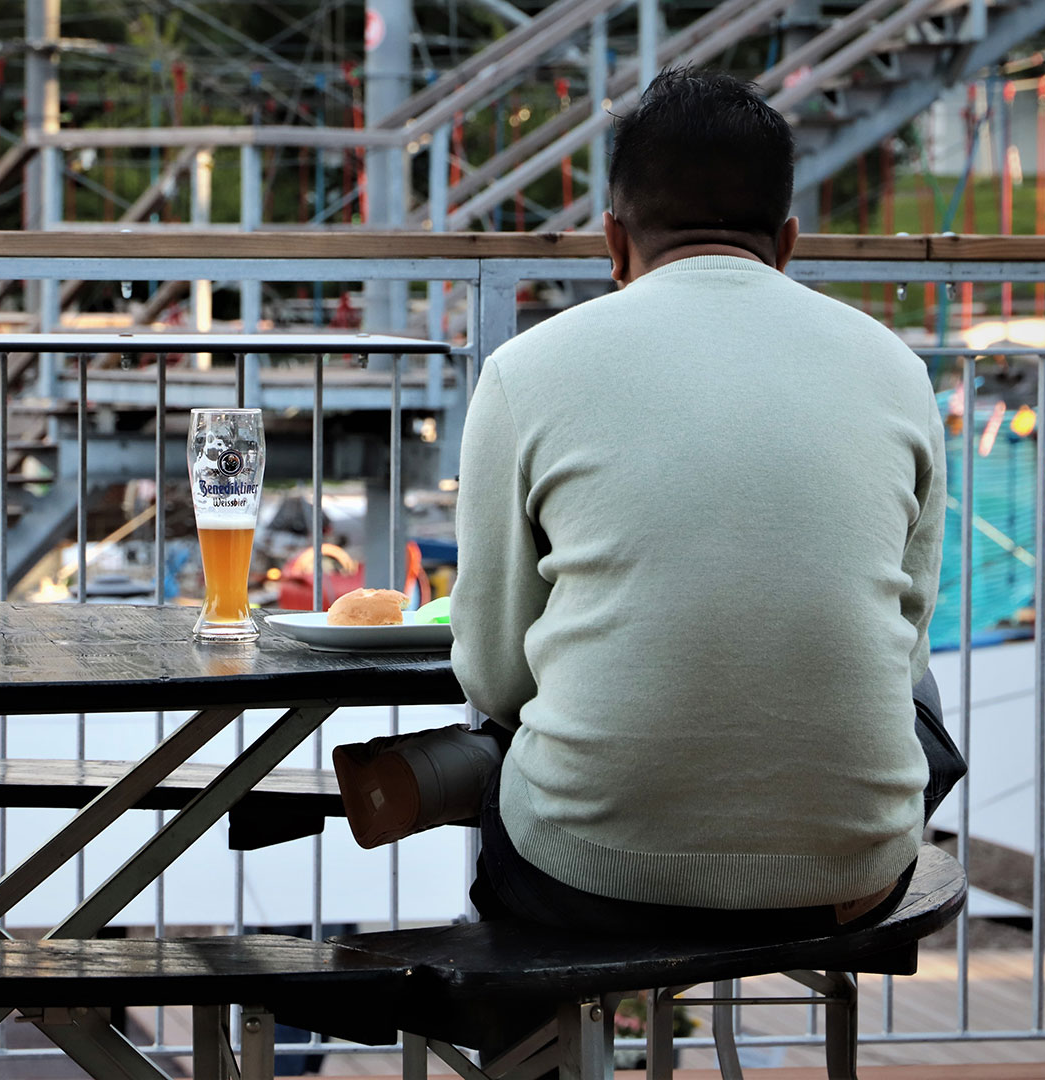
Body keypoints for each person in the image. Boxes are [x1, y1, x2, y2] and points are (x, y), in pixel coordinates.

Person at [333, 67, 959, 937]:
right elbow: (908, 635)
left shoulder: (526, 371)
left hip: (589, 877)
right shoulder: (896, 369)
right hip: (850, 876)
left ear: (613, 241)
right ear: (786, 242)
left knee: (535, 735)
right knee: (912, 675)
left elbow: (497, 675)